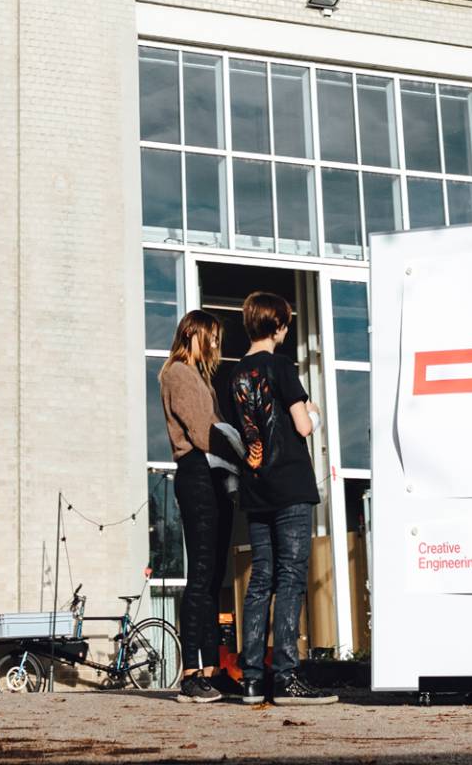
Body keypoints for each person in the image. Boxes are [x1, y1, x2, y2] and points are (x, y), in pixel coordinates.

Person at [231, 288, 319, 705]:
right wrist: (312, 411)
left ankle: (251, 678)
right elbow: (303, 426)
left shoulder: (234, 375)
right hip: (290, 485)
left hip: (256, 488)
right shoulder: (281, 366)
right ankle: (286, 676)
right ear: (278, 325)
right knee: (290, 578)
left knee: (260, 580)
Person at [158, 311, 233, 698]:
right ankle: (190, 674)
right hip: (196, 472)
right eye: (212, 336)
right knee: (201, 573)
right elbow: (204, 433)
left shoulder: (201, 377)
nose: (216, 344)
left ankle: (211, 670)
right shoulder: (178, 373)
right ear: (193, 334)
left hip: (213, 474)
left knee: (214, 576)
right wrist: (245, 452)